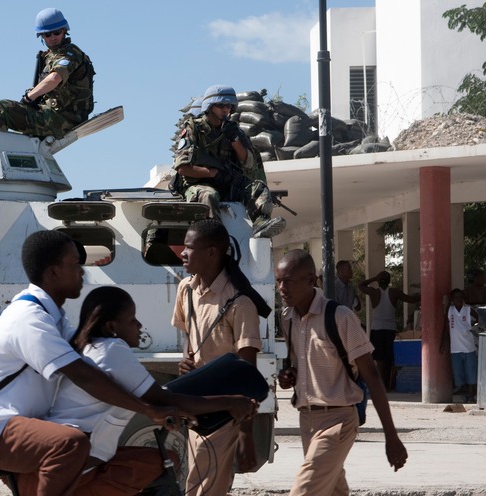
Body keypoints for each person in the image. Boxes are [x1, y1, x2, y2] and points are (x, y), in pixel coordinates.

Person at [0, 230, 188, 496]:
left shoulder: (56, 320)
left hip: (26, 428)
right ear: (54, 272)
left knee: (145, 463)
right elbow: (83, 375)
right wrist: (147, 409)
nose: (82, 272)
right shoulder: (28, 318)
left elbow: (92, 358)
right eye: (75, 264)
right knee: (71, 444)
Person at [44, 286, 257, 493]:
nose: (139, 325)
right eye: (132, 319)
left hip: (71, 455)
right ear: (111, 327)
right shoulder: (112, 349)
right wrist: (230, 402)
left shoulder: (90, 348)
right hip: (83, 462)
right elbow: (163, 399)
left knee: (156, 461)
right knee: (162, 463)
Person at [275, 250, 406, 494]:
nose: (282, 287)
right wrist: (289, 375)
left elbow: (373, 377)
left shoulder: (340, 317)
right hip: (306, 419)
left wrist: (391, 436)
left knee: (304, 490)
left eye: (289, 281)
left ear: (311, 280)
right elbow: (299, 363)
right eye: (278, 281)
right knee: (334, 490)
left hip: (338, 420)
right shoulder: (287, 318)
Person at [171, 219, 272, 496]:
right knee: (204, 483)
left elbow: (247, 376)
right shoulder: (186, 290)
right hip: (196, 406)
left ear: (212, 252)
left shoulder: (240, 303)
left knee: (201, 487)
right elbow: (188, 338)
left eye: (190, 248)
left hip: (225, 413)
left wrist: (245, 433)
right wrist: (185, 361)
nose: (183, 253)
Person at [171, 85, 284, 239]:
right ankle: (213, 239)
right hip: (196, 183)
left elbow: (248, 162)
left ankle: (259, 223)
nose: (226, 109)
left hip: (225, 182)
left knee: (258, 188)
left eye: (229, 106)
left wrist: (234, 140)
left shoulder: (234, 130)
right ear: (210, 107)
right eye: (221, 105)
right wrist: (211, 173)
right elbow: (183, 168)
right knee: (209, 195)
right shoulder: (194, 129)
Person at [0, 8, 95, 140]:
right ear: (41, 36)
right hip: (53, 116)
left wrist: (28, 98)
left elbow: (55, 77)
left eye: (56, 32)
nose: (52, 37)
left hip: (62, 119)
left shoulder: (69, 53)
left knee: (1, 109)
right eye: (47, 35)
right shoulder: (50, 56)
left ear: (64, 31)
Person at [357, 271, 419, 391]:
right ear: (390, 281)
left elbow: (361, 285)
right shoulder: (394, 292)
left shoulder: (374, 292)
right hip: (390, 329)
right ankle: (387, 384)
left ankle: (382, 385)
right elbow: (411, 299)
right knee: (389, 359)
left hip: (377, 329)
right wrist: (423, 295)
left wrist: (374, 278)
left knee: (380, 359)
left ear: (378, 281)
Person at [444, 288, 478, 401]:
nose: (458, 299)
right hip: (455, 348)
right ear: (452, 300)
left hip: (468, 346)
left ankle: (471, 394)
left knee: (471, 372)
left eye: (460, 297)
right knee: (458, 372)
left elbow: (479, 318)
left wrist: (474, 327)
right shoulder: (450, 310)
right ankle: (464, 392)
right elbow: (445, 323)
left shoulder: (468, 310)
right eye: (455, 297)